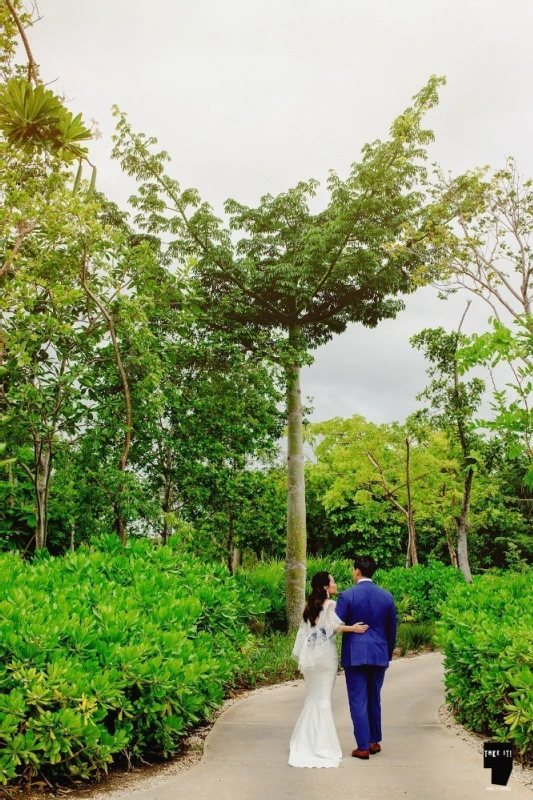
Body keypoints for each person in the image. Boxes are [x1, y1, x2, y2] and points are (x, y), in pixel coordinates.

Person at [288, 571, 369, 768]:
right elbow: (334, 626)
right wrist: (354, 628)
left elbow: (305, 634)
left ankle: (305, 742)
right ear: (325, 587)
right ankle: (322, 745)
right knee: (323, 700)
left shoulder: (309, 608)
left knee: (313, 698)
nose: (335, 583)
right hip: (326, 659)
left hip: (311, 659)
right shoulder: (331, 604)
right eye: (332, 581)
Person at [335, 555, 398, 760]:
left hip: (355, 655)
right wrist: (387, 656)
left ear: (357, 571)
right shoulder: (387, 596)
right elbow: (392, 630)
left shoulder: (347, 596)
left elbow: (336, 624)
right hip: (379, 654)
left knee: (357, 700)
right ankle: (374, 742)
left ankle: (362, 747)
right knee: (374, 697)